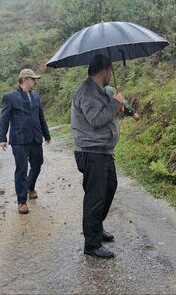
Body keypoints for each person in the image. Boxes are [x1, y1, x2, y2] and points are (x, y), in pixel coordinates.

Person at [71, 54, 126, 259]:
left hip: (103, 151)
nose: (111, 74)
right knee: (95, 197)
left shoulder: (99, 91)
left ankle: (97, 227)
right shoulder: (87, 92)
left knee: (109, 188)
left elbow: (104, 114)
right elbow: (95, 119)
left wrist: (115, 105)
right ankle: (91, 244)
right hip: (92, 152)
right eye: (110, 70)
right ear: (104, 71)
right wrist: (114, 104)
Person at [0, 69, 51, 215]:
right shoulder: (10, 97)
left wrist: (46, 134)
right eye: (33, 79)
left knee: (37, 164)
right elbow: (4, 118)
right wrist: (2, 137)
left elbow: (41, 117)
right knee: (21, 169)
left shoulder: (36, 97)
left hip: (35, 137)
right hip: (19, 140)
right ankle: (22, 201)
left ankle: (30, 186)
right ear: (25, 79)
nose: (35, 82)